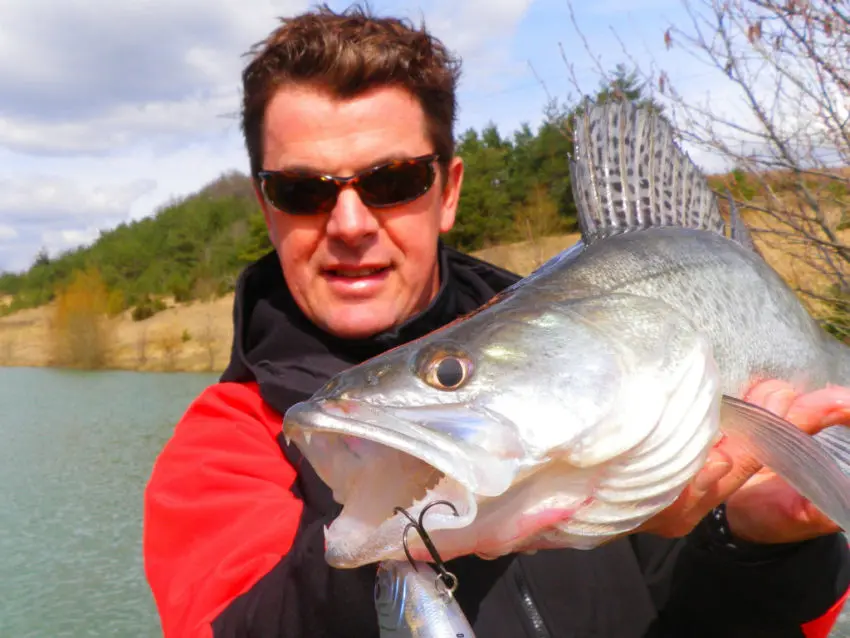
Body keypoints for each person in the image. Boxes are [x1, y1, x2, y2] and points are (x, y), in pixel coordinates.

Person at [142, 5, 850, 637]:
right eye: (302, 191)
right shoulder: (218, 450)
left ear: (447, 192)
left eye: (392, 182)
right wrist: (408, 522)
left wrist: (760, 542)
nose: (350, 224)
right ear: (266, 207)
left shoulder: (620, 389)